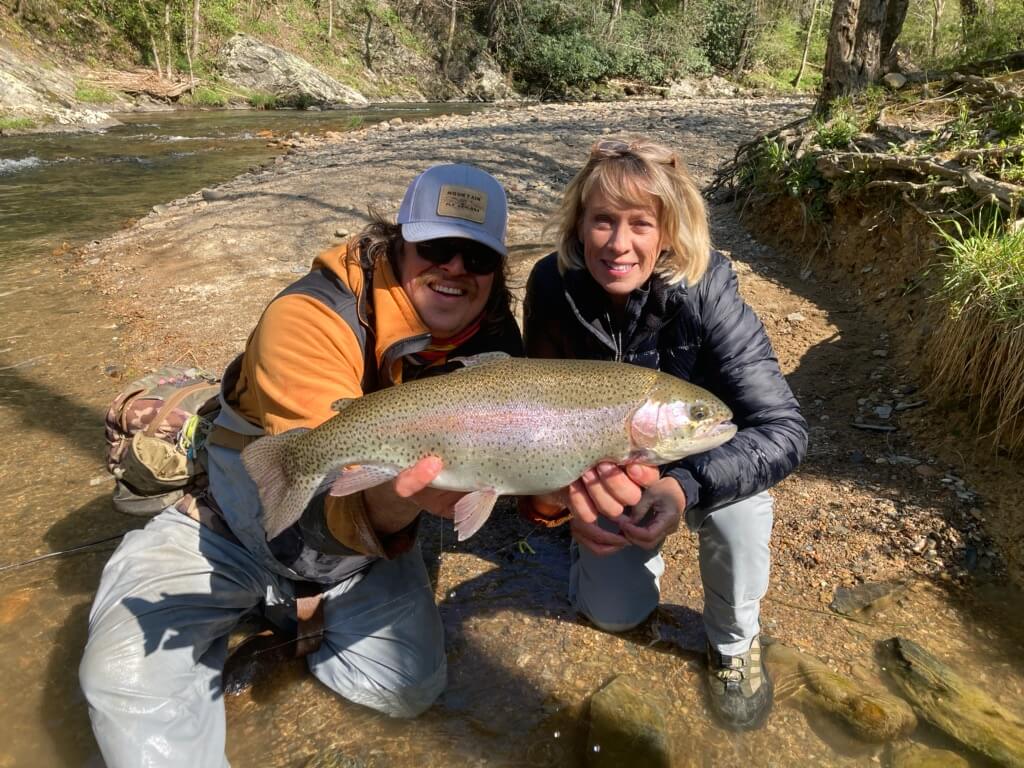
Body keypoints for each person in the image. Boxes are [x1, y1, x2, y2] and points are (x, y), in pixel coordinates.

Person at [80, 163, 524, 767]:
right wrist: (403, 498)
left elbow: (530, 478)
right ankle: (196, 430)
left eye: (477, 258)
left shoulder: (493, 344)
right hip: (225, 531)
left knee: (408, 691)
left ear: (496, 270)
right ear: (398, 241)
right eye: (437, 247)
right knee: (126, 689)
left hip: (357, 556)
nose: (455, 269)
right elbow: (315, 497)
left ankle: (296, 617)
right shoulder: (310, 317)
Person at [521, 137, 808, 731]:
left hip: (701, 455)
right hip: (611, 471)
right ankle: (597, 553)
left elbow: (782, 430)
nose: (618, 243)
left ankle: (734, 641)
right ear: (579, 225)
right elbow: (534, 410)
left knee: (738, 511)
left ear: (668, 231)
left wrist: (680, 488)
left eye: (639, 224)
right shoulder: (552, 284)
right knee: (614, 615)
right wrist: (560, 500)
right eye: (602, 221)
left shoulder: (708, 290)